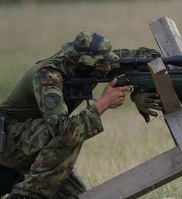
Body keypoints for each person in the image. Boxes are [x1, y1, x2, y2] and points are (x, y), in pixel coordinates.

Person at [0, 30, 162, 199]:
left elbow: (149, 57)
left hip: (36, 139)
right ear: (83, 64)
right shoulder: (48, 77)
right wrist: (103, 103)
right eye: (101, 65)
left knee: (75, 196)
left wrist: (138, 93)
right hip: (8, 140)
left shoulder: (98, 64)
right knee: (71, 133)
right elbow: (63, 133)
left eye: (109, 62)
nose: (108, 68)